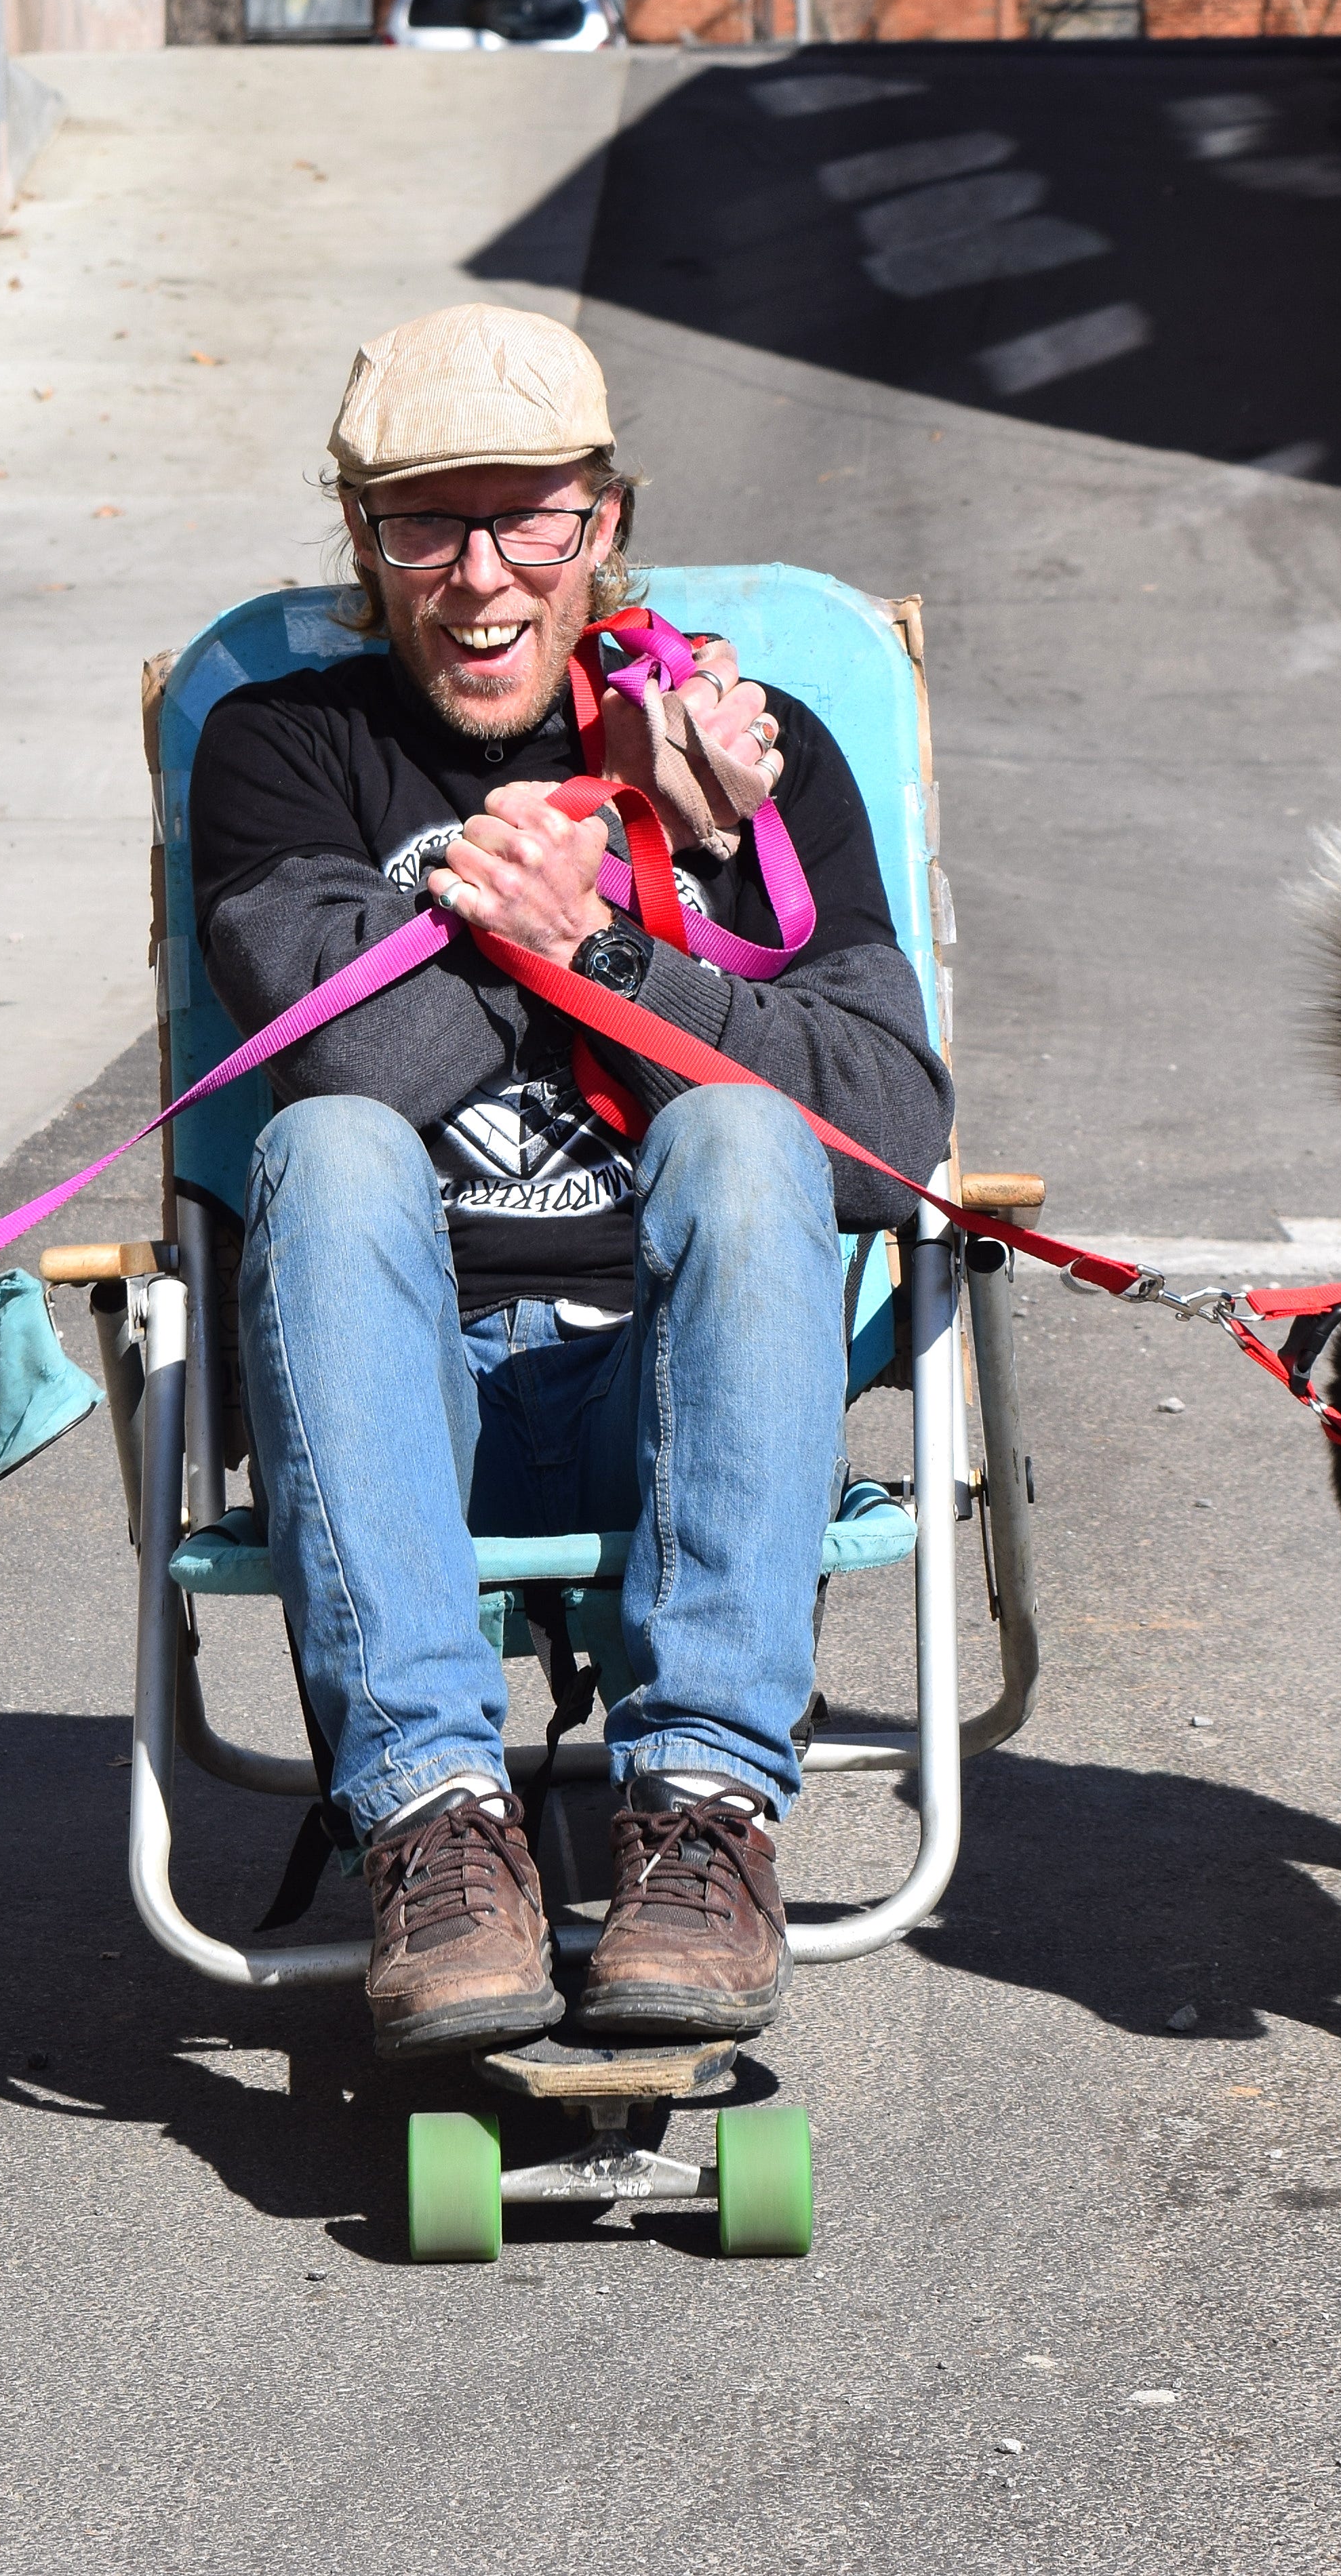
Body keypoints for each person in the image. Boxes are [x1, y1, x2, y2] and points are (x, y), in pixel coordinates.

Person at [185, 305, 954, 2060]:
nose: (478, 579)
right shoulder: (282, 749)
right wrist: (579, 872)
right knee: (329, 1145)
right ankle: (434, 1820)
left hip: (681, 1380)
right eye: (423, 524)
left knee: (750, 1127)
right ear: (360, 536)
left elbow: (891, 1132)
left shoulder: (761, 767)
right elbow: (343, 1058)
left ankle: (702, 1816)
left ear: (604, 525)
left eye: (528, 519)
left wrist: (612, 926)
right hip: (400, 1382)